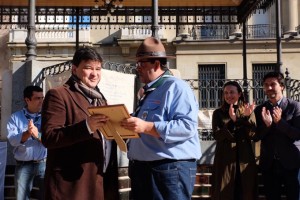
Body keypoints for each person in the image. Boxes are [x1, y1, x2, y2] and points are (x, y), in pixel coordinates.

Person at [121, 37, 201, 200]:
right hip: (144, 170)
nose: (138, 68)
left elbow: (187, 127)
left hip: (168, 170)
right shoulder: (150, 91)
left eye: (141, 64)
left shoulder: (176, 87)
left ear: (156, 64)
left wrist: (146, 127)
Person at [41, 47, 119, 200]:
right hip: (71, 187)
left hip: (99, 183)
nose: (94, 74)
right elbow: (49, 137)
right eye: (88, 68)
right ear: (75, 69)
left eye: (98, 69)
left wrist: (121, 127)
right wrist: (87, 127)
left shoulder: (100, 99)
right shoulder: (58, 95)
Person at [254, 71, 300, 200]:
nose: (269, 88)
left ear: (282, 86)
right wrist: (267, 126)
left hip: (291, 163)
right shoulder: (260, 109)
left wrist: (280, 122)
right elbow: (256, 136)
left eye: (273, 84)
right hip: (269, 164)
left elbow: (297, 134)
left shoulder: (295, 106)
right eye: (266, 85)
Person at [211, 81, 258, 200]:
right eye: (226, 93)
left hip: (244, 157)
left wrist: (247, 118)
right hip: (225, 158)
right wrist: (232, 121)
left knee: (245, 191)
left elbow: (252, 135)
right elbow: (217, 135)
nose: (228, 95)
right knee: (224, 192)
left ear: (240, 94)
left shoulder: (247, 110)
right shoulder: (218, 113)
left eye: (232, 92)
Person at [7, 85, 47, 200]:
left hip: (43, 164)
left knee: (47, 195)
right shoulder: (15, 118)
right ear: (27, 100)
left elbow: (51, 139)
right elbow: (13, 140)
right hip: (23, 165)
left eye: (42, 98)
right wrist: (27, 133)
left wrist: (37, 134)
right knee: (22, 197)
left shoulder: (47, 116)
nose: (41, 101)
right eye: (37, 98)